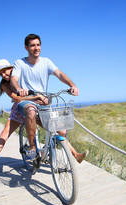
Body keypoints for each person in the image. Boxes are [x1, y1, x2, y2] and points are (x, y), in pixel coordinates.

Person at [0, 59, 87, 171]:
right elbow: (16, 98)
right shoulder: (5, 85)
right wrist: (36, 97)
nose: (3, 75)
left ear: (11, 68)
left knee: (56, 130)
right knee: (4, 134)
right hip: (20, 109)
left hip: (37, 108)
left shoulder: (21, 74)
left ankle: (75, 155)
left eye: (4, 71)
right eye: (0, 73)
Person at [10, 33, 88, 163]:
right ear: (26, 47)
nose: (36, 48)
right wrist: (19, 89)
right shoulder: (20, 63)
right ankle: (32, 148)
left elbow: (59, 74)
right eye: (33, 45)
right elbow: (14, 79)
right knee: (30, 111)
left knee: (61, 131)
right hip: (27, 101)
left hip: (43, 102)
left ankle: (75, 155)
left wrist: (72, 85)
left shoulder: (46, 62)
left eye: (38, 45)